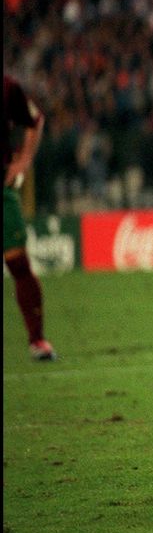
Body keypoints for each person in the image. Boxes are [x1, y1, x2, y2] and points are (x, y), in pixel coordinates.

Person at [3, 75, 55, 361]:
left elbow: (34, 121)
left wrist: (24, 160)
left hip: (3, 190)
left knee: (18, 264)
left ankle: (37, 340)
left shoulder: (8, 88)